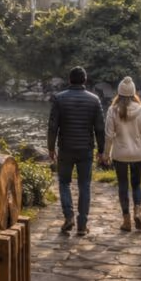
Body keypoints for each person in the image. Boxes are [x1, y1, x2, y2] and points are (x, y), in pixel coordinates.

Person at [47, 66, 105, 236]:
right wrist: (101, 150)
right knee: (84, 185)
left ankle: (68, 217)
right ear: (84, 80)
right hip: (86, 149)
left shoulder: (59, 98)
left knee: (64, 183)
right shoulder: (94, 100)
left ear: (70, 80)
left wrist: (51, 148)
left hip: (65, 149)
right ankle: (82, 224)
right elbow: (100, 129)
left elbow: (52, 127)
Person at [102, 76, 141, 231]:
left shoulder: (113, 110)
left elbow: (109, 136)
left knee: (123, 186)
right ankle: (137, 212)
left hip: (120, 155)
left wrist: (106, 154)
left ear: (119, 93)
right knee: (137, 184)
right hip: (138, 154)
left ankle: (126, 221)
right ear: (133, 93)